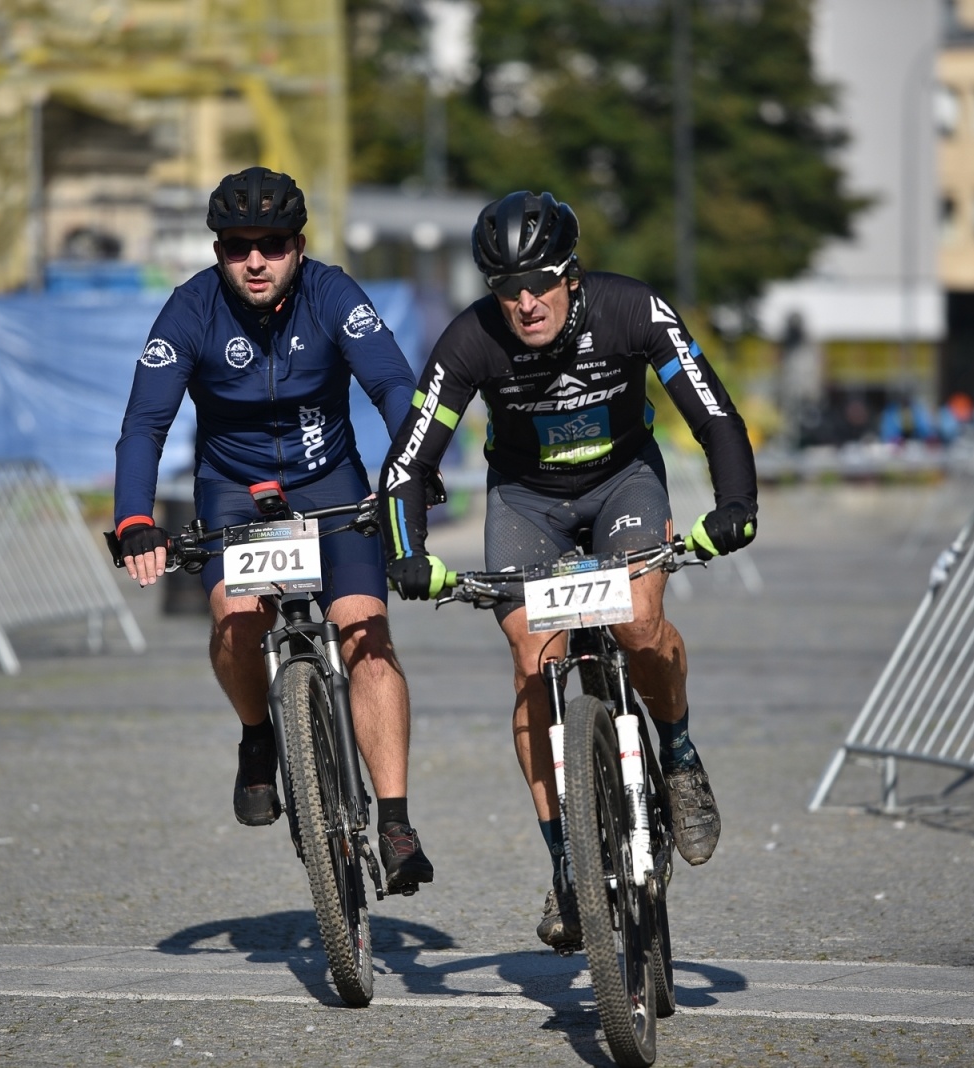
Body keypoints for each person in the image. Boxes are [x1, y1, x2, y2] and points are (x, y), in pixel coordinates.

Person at [375, 190, 758, 948]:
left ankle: (677, 753)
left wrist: (735, 504)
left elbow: (711, 411)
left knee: (637, 623)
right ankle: (566, 868)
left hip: (624, 483)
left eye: (540, 283)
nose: (524, 303)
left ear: (571, 277)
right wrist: (405, 551)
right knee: (532, 659)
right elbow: (410, 461)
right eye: (506, 288)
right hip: (526, 502)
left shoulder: (632, 310)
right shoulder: (470, 342)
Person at [113, 167, 435, 893]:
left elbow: (392, 384)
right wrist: (134, 518)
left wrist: (410, 469)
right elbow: (144, 424)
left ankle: (394, 819)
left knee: (365, 633)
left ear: (298, 244)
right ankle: (258, 735)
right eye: (236, 246)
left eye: (273, 244)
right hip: (235, 493)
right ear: (219, 249)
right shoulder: (189, 311)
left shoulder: (333, 294)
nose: (255, 260)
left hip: (330, 485)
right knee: (234, 616)